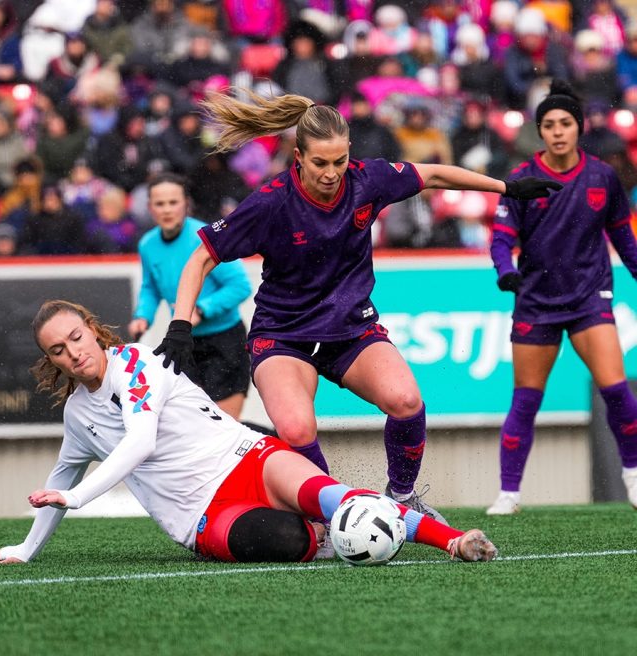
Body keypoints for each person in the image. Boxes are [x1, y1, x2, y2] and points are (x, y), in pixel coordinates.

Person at [154, 88, 561, 521]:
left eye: (339, 162)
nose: (331, 173)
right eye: (320, 163)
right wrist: (180, 325)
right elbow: (201, 257)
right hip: (282, 335)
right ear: (298, 157)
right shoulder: (270, 202)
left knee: (406, 402)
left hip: (351, 330)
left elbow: (436, 175)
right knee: (295, 430)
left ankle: (401, 499)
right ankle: (332, 519)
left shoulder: (370, 179)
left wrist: (508, 188)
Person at [0, 300, 498, 565]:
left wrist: (76, 496)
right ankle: (323, 535)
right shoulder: (78, 416)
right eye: (58, 350)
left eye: (77, 336)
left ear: (92, 329)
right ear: (51, 360)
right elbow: (60, 476)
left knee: (331, 496)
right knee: (291, 538)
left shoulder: (135, 364)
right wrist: (27, 548)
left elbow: (138, 443)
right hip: (204, 516)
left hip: (249, 456)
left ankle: (452, 541)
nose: (74, 352)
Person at [488, 79, 637, 515]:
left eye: (565, 123)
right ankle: (509, 493)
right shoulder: (520, 180)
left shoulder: (602, 177)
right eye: (549, 124)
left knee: (617, 392)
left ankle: (633, 473)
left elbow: (623, 239)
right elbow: (500, 239)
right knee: (526, 400)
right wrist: (506, 273)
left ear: (579, 128)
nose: (557, 131)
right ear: (539, 130)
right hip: (536, 301)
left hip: (591, 298)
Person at [128, 173, 251, 420]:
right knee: (194, 428)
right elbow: (151, 287)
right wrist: (143, 316)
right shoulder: (147, 244)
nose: (167, 210)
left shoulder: (206, 237)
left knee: (223, 428)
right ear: (150, 208)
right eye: (160, 204)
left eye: (173, 202)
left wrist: (202, 309)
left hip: (225, 343)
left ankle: (278, 447)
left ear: (186, 203)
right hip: (183, 346)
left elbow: (240, 285)